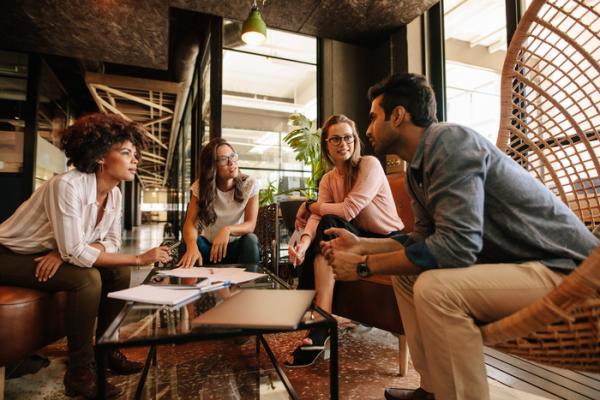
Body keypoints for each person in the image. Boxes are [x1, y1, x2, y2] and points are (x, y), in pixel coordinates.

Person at [321, 73, 599, 400]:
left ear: (397, 116)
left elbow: (456, 249)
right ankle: (433, 388)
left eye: (373, 117)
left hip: (573, 272)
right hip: (526, 268)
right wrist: (361, 244)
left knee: (437, 289)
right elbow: (423, 238)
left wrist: (365, 266)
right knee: (406, 278)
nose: (367, 131)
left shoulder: (450, 143)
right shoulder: (416, 169)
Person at [0, 113, 173, 399]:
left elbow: (112, 242)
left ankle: (107, 350)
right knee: (87, 279)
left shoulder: (115, 195)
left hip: (45, 252)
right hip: (8, 254)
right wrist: (141, 258)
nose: (135, 160)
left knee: (119, 272)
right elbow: (78, 251)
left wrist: (63, 251)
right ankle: (80, 371)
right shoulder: (68, 185)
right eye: (127, 153)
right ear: (102, 156)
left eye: (135, 154)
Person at [286, 114, 404, 367]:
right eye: (336, 139)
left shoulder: (369, 165)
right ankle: (321, 321)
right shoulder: (329, 178)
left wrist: (308, 205)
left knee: (330, 223)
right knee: (326, 227)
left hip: (387, 240)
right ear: (327, 144)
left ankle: (319, 322)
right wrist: (303, 245)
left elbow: (349, 210)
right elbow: (320, 216)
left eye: (348, 137)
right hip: (355, 238)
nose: (343, 143)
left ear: (356, 140)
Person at [177, 137, 260, 268]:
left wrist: (227, 230)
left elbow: (250, 225)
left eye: (232, 156)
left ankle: (248, 286)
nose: (231, 162)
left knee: (251, 240)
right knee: (187, 244)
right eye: (223, 159)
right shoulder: (200, 187)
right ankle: (186, 283)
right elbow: (190, 224)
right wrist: (192, 247)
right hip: (209, 250)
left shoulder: (249, 184)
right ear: (212, 167)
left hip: (236, 248)